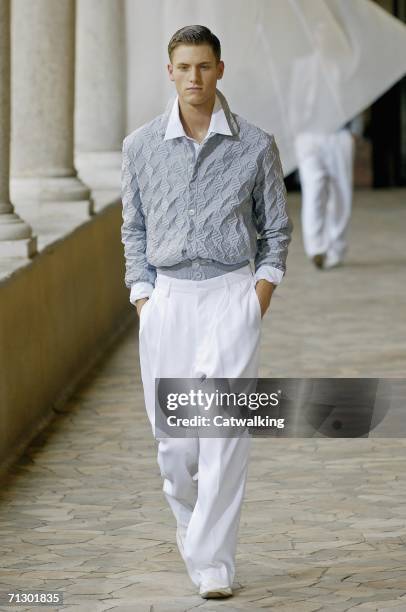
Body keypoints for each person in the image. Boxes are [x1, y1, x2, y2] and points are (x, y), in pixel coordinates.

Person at [121, 25, 292, 600]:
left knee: (224, 433)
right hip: (167, 300)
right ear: (169, 71)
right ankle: (192, 527)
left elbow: (276, 228)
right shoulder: (140, 146)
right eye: (184, 67)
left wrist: (258, 295)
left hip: (230, 297)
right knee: (176, 443)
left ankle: (214, 560)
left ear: (221, 69)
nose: (194, 77)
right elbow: (134, 229)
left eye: (204, 67)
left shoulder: (255, 144)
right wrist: (143, 297)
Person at [294, 122, 358, 269]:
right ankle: (331, 249)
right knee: (338, 194)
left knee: (315, 193)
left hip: (331, 132)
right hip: (318, 133)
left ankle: (317, 248)